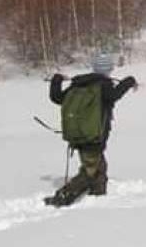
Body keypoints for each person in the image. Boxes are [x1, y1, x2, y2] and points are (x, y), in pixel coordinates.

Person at [44, 53, 137, 207]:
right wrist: (130, 81)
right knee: (90, 171)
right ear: (109, 68)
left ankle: (97, 198)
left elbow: (57, 98)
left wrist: (57, 80)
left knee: (99, 167)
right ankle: (61, 198)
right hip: (93, 136)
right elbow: (114, 95)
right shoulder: (103, 85)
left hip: (80, 133)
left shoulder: (79, 84)